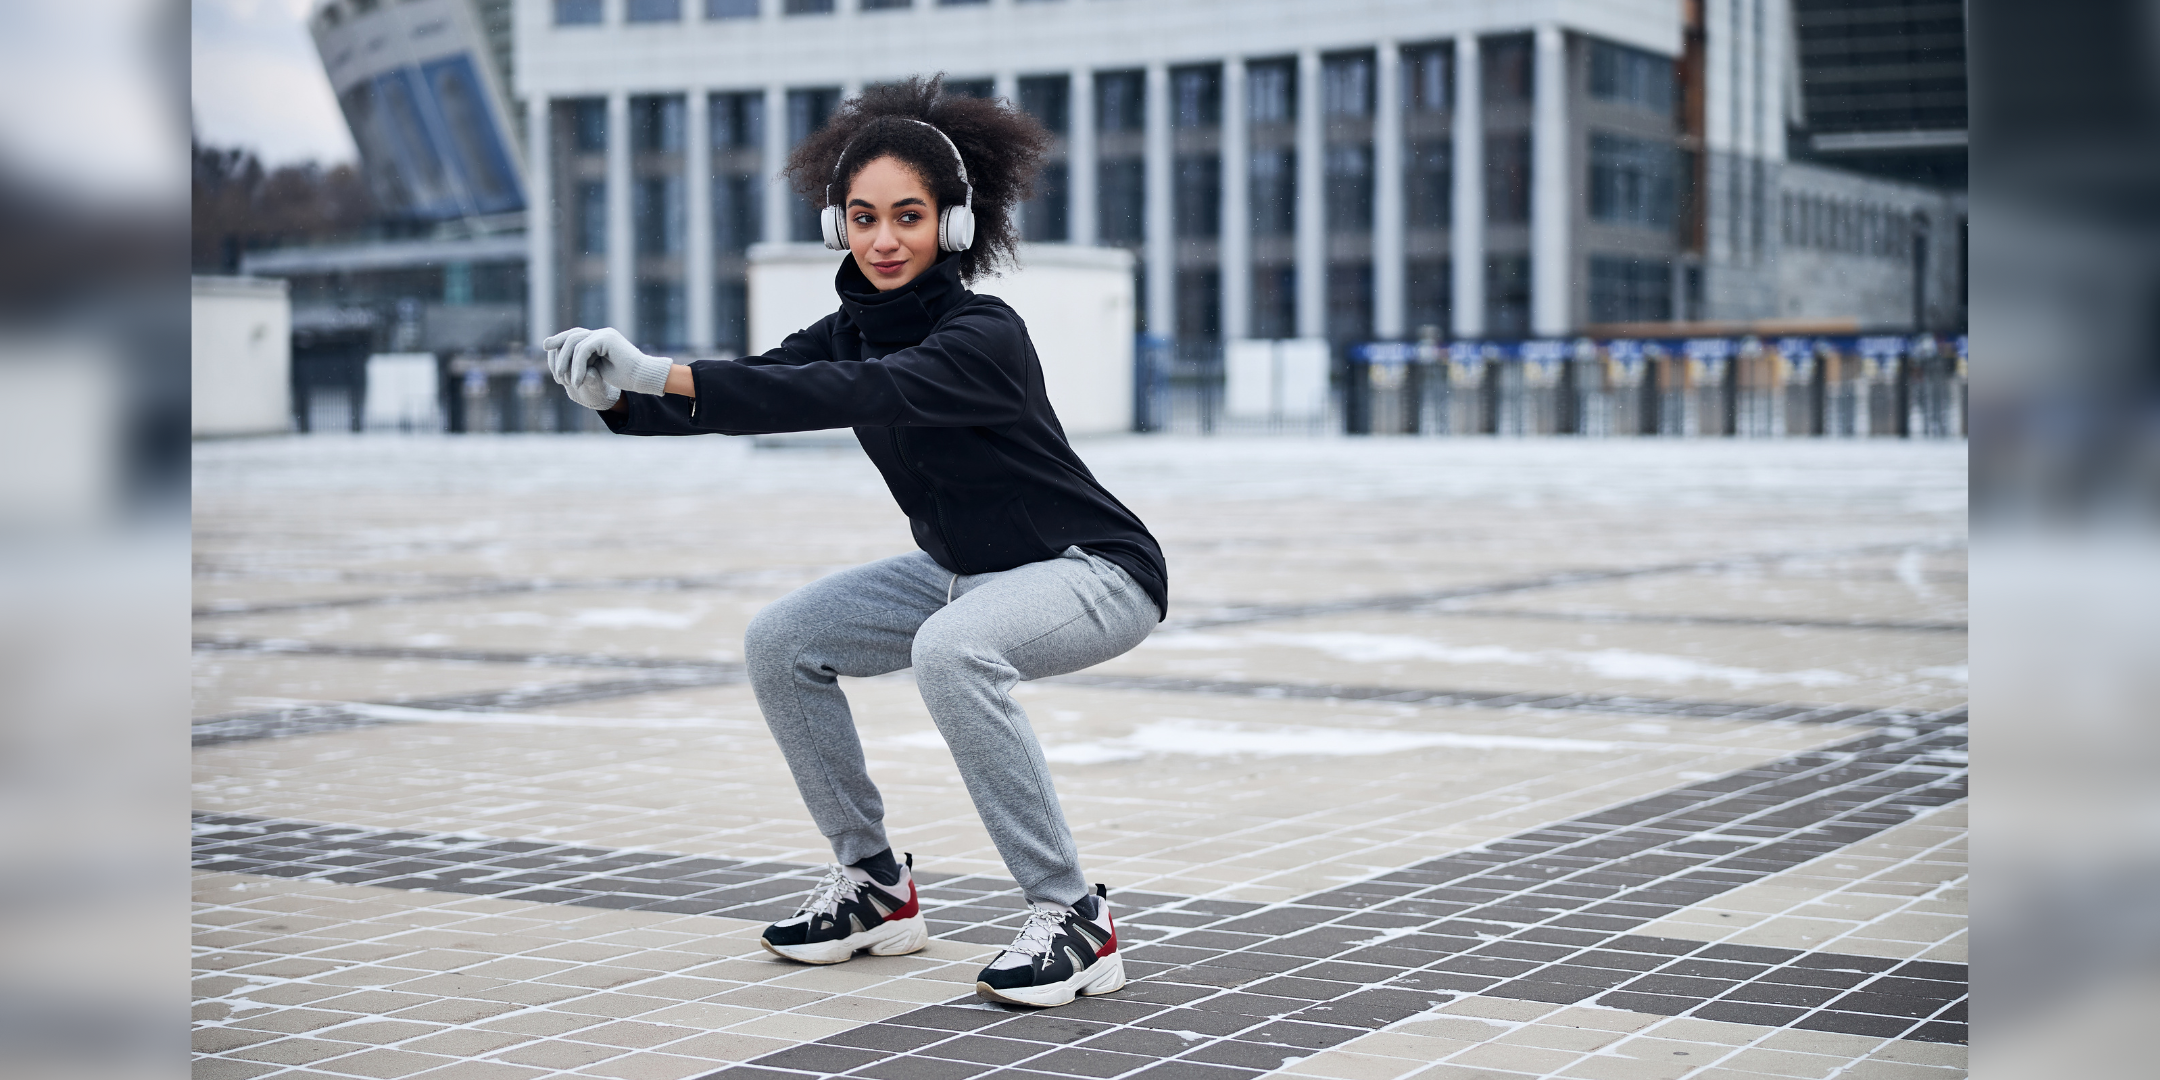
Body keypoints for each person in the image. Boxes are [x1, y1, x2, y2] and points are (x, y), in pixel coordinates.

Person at [540, 76, 1166, 1009]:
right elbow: (762, 382)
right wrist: (623, 401)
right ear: (837, 226)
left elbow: (838, 395)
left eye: (908, 216)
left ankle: (1075, 915)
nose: (883, 240)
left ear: (954, 226)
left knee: (952, 654)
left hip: (1095, 570)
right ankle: (874, 886)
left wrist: (663, 371)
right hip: (964, 571)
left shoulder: (982, 333)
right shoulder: (852, 328)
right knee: (783, 641)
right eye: (863, 217)